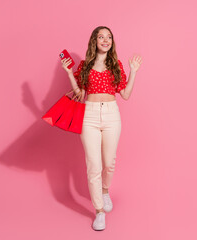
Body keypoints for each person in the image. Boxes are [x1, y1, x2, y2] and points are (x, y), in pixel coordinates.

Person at [61, 26, 142, 231]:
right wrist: (69, 72)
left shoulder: (116, 65)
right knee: (93, 165)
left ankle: (105, 190)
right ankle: (99, 211)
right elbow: (79, 93)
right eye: (101, 36)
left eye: (109, 37)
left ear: (112, 42)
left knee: (109, 162)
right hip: (89, 115)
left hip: (111, 115)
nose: (105, 40)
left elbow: (125, 95)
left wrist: (133, 72)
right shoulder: (86, 65)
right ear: (94, 41)